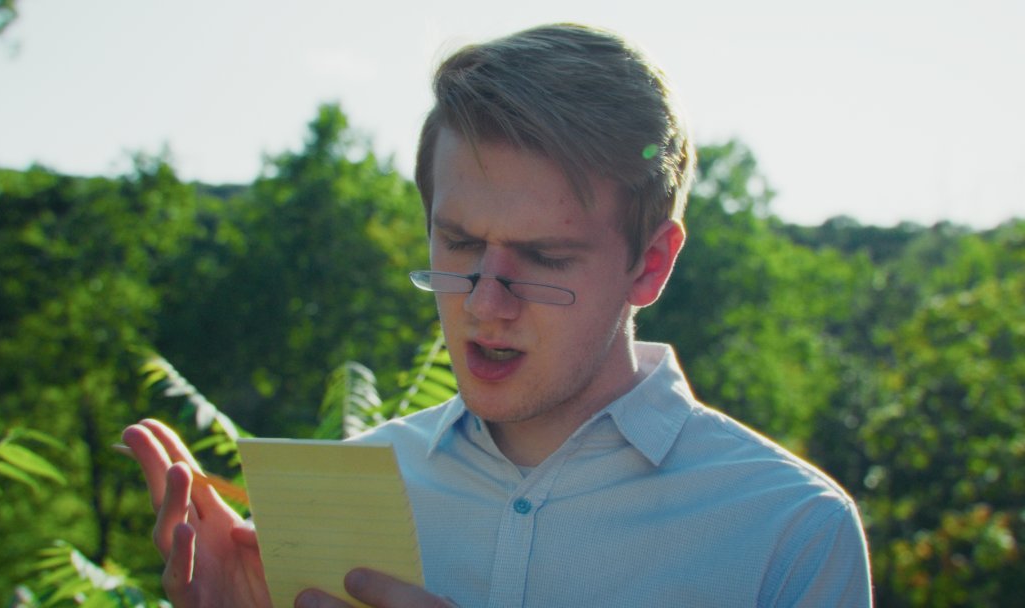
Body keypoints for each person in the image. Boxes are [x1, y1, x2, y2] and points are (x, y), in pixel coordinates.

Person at [123, 23, 873, 607]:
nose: (484, 302)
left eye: (544, 258)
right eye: (457, 243)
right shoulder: (352, 493)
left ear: (651, 262)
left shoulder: (787, 532)